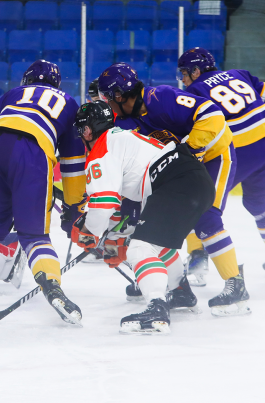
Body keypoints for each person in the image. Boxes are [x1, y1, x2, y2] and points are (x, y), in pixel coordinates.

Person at [97, 63, 249, 317]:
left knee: (205, 217)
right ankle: (174, 285)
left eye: (109, 100)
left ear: (120, 96)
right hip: (180, 168)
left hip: (214, 155)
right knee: (158, 218)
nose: (109, 106)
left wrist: (189, 149)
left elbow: (213, 116)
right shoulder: (125, 121)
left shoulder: (162, 97)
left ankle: (237, 284)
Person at [0, 60, 87, 323]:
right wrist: (74, 206)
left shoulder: (12, 94)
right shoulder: (69, 103)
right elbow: (73, 162)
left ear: (27, 80)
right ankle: (53, 288)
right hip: (31, 151)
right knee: (34, 235)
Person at [72, 101, 215, 334]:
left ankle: (156, 307)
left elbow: (104, 203)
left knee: (140, 247)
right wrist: (111, 234)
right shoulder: (124, 137)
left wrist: (90, 232)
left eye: (81, 130)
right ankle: (180, 291)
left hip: (175, 184)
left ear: (87, 130)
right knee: (154, 242)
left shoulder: (102, 149)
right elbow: (118, 204)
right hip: (195, 180)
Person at [178, 47, 265, 280]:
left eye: (184, 73)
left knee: (197, 202)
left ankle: (198, 258)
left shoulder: (195, 90)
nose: (182, 79)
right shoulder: (240, 74)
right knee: (257, 203)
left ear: (195, 70)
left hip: (241, 150)